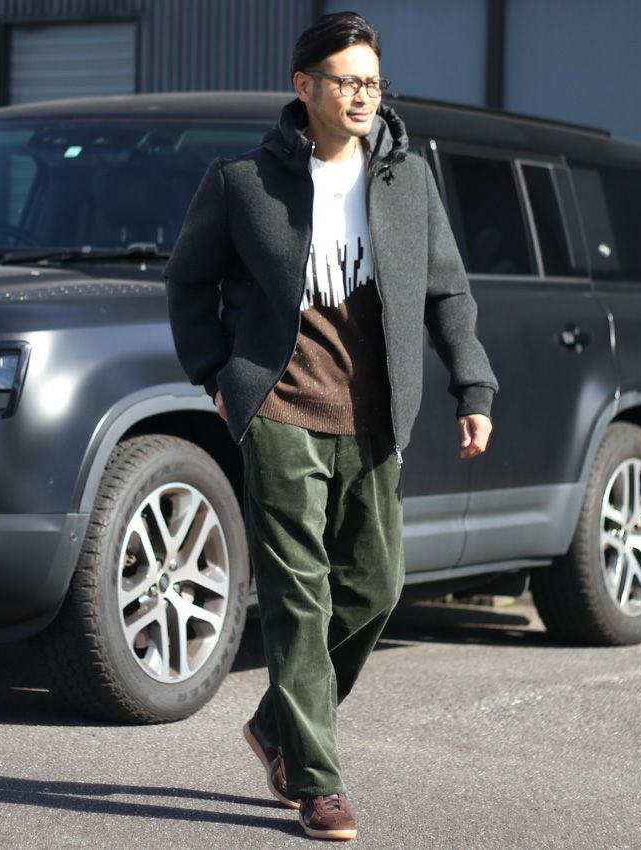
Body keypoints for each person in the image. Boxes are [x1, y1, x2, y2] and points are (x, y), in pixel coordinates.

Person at [163, 11, 497, 841]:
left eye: (373, 83)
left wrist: (473, 387)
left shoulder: (408, 180)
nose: (363, 96)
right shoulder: (243, 182)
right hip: (280, 408)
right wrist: (216, 376)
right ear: (303, 86)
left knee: (377, 587)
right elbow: (188, 281)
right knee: (297, 599)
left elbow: (448, 292)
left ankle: (276, 726)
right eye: (347, 81)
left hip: (374, 415)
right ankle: (317, 782)